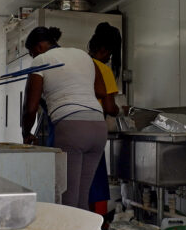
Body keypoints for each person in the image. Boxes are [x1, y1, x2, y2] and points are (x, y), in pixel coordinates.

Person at [21, 26, 115, 210]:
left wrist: (25, 132)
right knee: (83, 198)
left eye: (32, 53)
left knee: (68, 200)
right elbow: (101, 91)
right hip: (98, 128)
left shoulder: (41, 60)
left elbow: (30, 108)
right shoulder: (84, 56)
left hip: (72, 128)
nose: (33, 57)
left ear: (39, 47)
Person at [86, 22, 123, 216]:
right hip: (92, 130)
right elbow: (109, 107)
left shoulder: (80, 65)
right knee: (97, 181)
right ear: (104, 50)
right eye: (110, 54)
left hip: (66, 128)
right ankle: (98, 228)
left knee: (75, 182)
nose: (109, 58)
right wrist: (119, 111)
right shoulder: (103, 69)